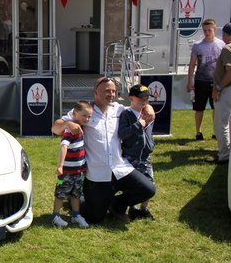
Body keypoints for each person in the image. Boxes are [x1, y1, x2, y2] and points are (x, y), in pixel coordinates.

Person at [52, 77, 156, 224]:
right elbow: (56, 128)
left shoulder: (119, 109)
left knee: (148, 189)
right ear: (95, 92)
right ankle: (76, 197)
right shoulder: (85, 110)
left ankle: (117, 205)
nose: (111, 94)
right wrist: (68, 123)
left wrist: (148, 107)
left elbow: (138, 105)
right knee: (94, 218)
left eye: (114, 91)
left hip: (119, 168)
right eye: (107, 91)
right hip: (97, 174)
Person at [118, 84, 155, 220]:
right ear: (131, 98)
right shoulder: (126, 114)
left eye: (146, 98)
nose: (144, 101)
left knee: (150, 183)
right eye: (140, 98)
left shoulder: (147, 112)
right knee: (134, 185)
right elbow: (122, 133)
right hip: (131, 156)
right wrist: (138, 124)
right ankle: (132, 208)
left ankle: (144, 209)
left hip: (145, 155)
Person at [51, 100, 91, 228]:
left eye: (89, 116)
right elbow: (63, 147)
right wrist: (60, 166)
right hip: (67, 172)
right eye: (84, 115)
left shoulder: (82, 128)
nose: (87, 119)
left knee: (76, 194)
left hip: (79, 171)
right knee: (61, 193)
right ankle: (55, 216)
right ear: (75, 113)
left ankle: (75, 215)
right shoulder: (70, 130)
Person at [187, 19, 225, 141]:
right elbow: (192, 64)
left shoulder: (221, 44)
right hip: (201, 80)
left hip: (216, 81)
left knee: (216, 107)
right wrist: (190, 81)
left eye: (209, 30)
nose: (207, 33)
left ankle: (216, 131)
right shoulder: (198, 45)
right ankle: (198, 132)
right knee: (199, 108)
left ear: (215, 30)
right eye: (205, 31)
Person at [211, 23, 231, 165]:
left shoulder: (227, 48)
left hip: (226, 90)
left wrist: (218, 87)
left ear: (225, 34)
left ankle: (224, 155)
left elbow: (230, 72)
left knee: (221, 123)